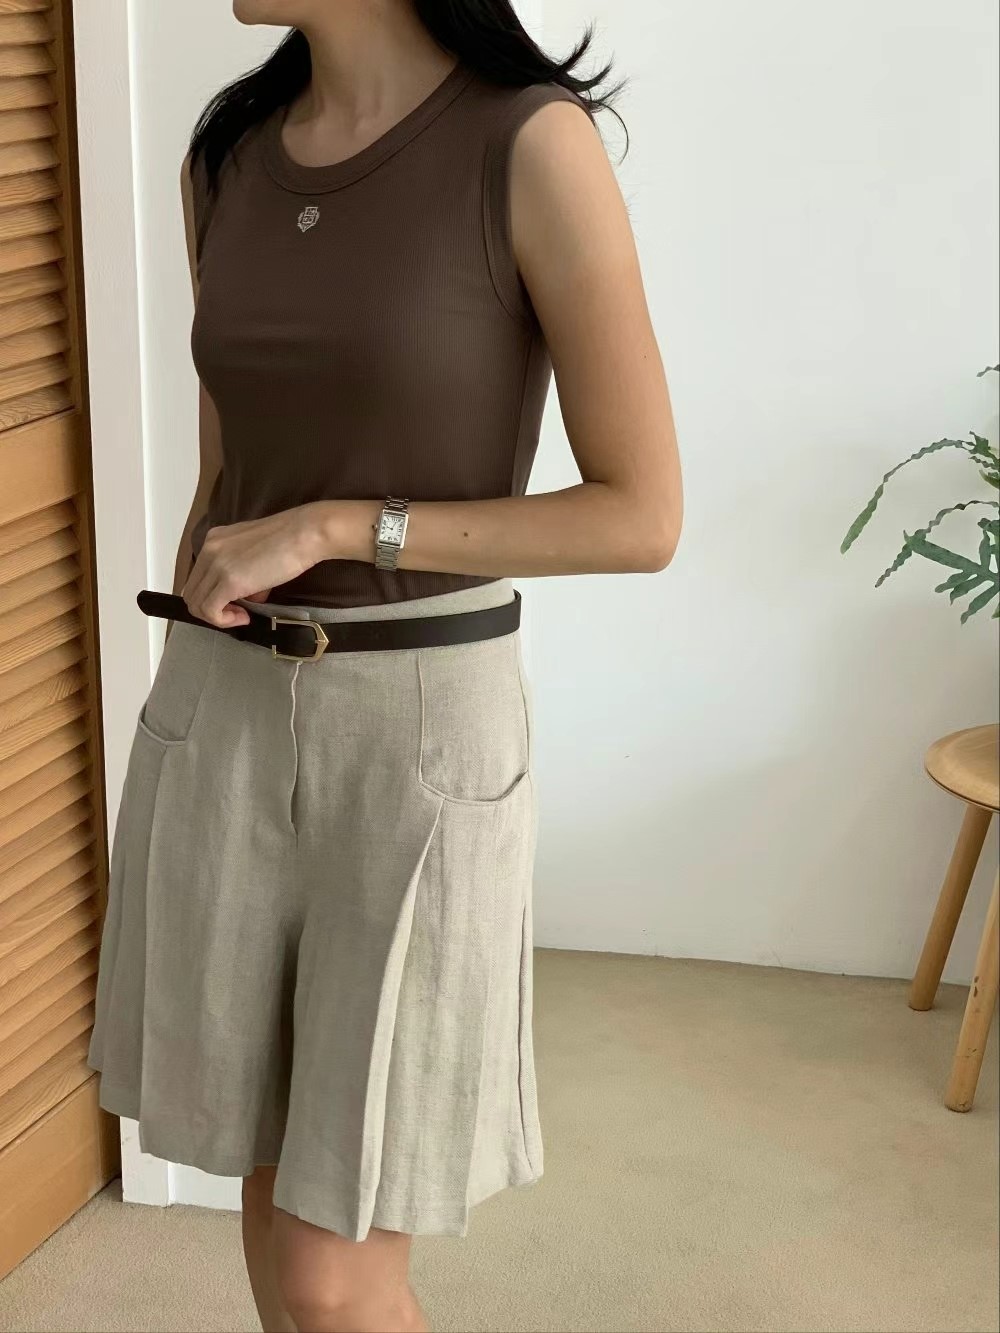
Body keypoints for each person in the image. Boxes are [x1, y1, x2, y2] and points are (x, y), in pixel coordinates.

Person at [88, 1, 682, 1329]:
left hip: (416, 734)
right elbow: (226, 468)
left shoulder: (528, 144)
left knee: (337, 1265)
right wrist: (187, 676)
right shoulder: (227, 157)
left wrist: (340, 527)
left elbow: (642, 514)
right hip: (223, 710)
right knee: (269, 1188)